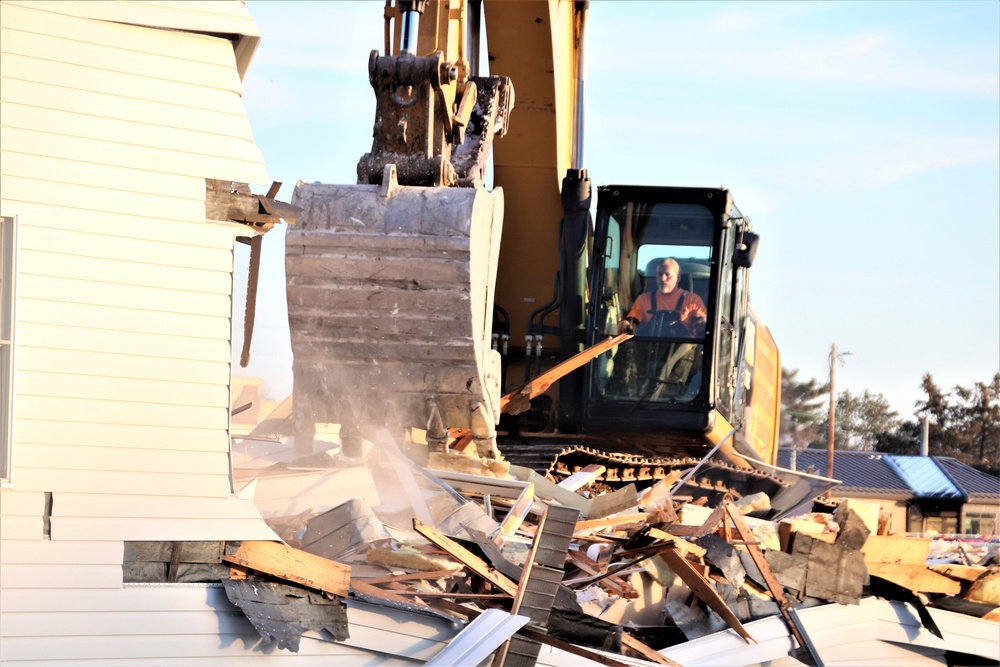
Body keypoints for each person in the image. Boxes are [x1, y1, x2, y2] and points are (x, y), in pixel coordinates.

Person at [619, 258, 707, 337]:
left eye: (667, 274)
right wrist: (624, 325)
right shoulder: (643, 299)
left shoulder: (693, 300)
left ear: (678, 278)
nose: (663, 278)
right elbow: (631, 323)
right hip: (647, 348)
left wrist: (703, 322)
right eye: (659, 274)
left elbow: (705, 325)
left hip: (683, 352)